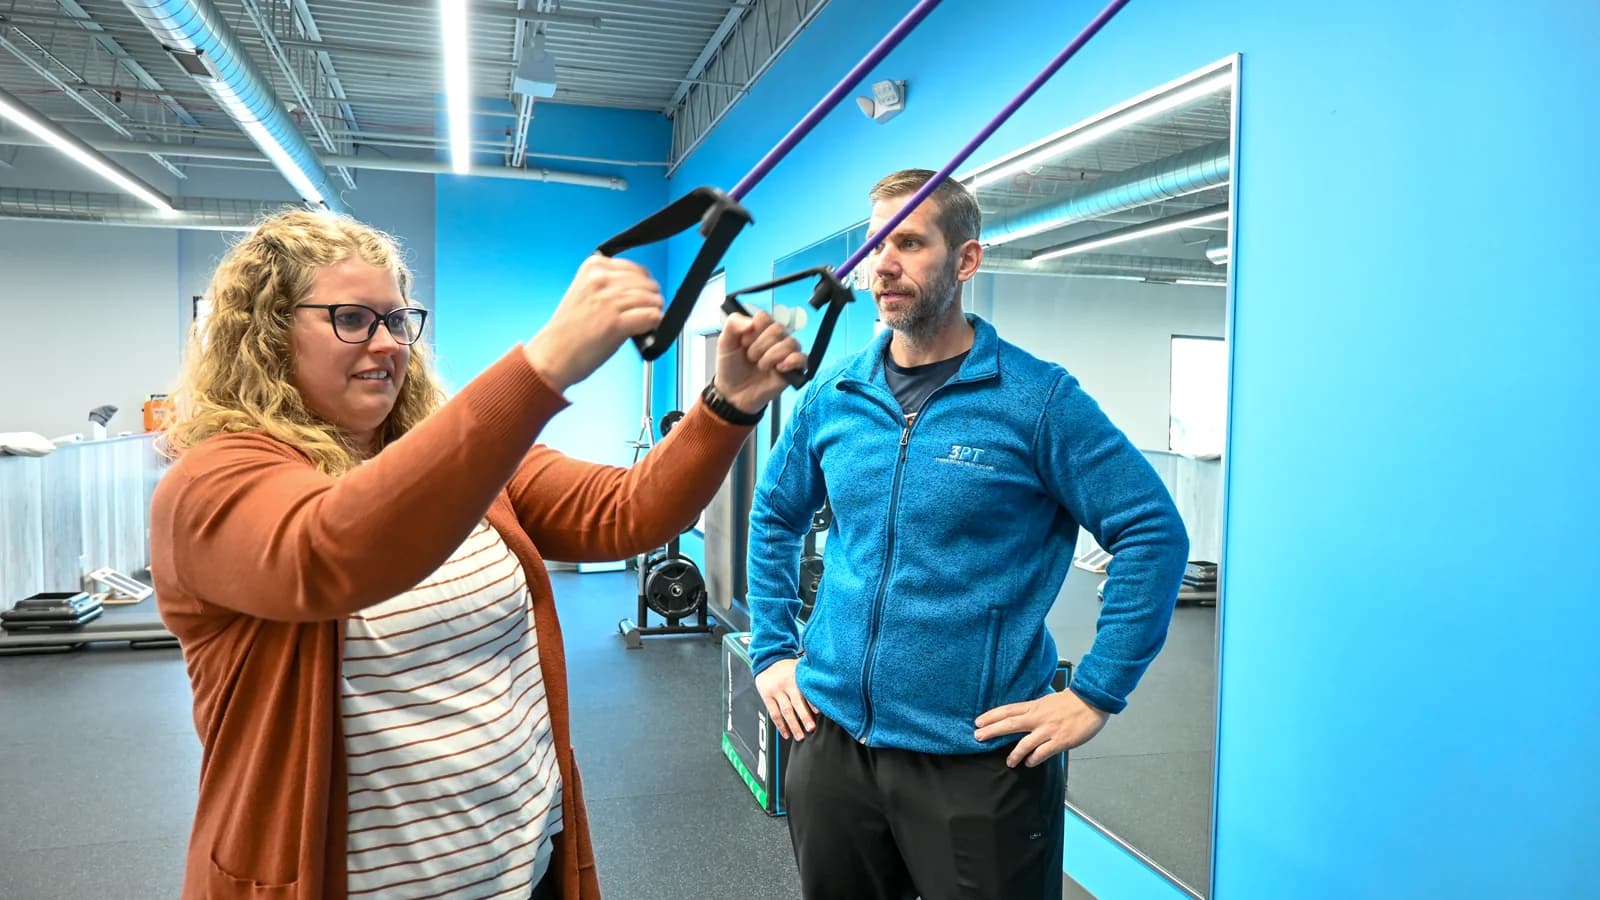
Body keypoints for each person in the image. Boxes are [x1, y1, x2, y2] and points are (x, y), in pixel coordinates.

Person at [150, 208, 804, 900]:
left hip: (525, 872)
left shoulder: (462, 462)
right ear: (268, 332)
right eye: (352, 319)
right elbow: (331, 549)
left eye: (396, 320)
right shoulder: (210, 484)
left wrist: (726, 404)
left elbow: (625, 510)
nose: (386, 343)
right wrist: (542, 365)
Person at [746, 170, 1190, 900]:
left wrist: (1096, 692)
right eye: (875, 245)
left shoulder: (1038, 400)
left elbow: (1151, 530)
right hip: (832, 743)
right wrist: (771, 649)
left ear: (967, 259)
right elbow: (774, 515)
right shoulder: (835, 394)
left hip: (978, 757)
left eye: (909, 243)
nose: (883, 264)